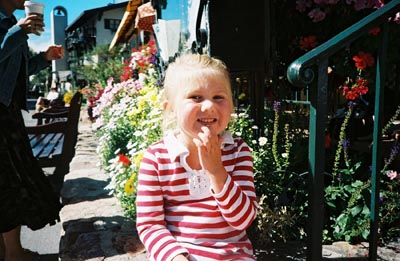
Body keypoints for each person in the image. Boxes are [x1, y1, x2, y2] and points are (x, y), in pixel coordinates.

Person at [136, 53, 258, 261]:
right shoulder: (157, 158)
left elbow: (243, 220)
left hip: (233, 255)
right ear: (171, 109)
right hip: (180, 254)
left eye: (219, 97)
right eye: (196, 97)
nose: (209, 106)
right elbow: (150, 224)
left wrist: (216, 171)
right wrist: (175, 257)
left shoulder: (238, 151)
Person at [0, 0, 64, 260]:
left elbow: (15, 71)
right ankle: (13, 253)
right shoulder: (12, 26)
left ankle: (9, 251)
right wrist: (18, 31)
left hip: (8, 111)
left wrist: (44, 58)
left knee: (10, 179)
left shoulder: (12, 24)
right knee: (7, 182)